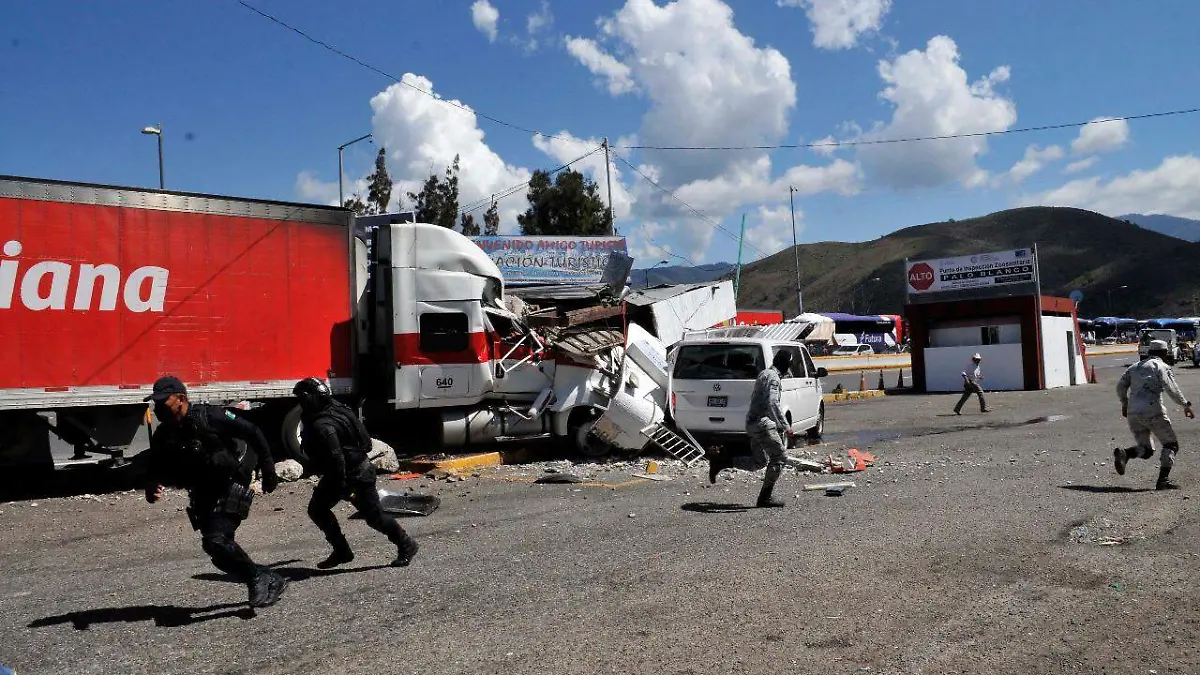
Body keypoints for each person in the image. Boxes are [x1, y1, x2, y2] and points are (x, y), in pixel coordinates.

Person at [142, 376, 286, 608]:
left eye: (163, 402)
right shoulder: (165, 433)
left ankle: (257, 579)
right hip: (203, 491)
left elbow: (252, 431)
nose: (158, 408)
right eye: (156, 403)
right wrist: (151, 485)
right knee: (218, 553)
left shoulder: (209, 416)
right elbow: (155, 464)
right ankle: (268, 577)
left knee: (218, 540)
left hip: (231, 484)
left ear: (181, 399)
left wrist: (268, 468)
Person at [293, 378, 419, 569]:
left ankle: (406, 544)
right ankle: (342, 551)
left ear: (309, 399)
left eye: (302, 398)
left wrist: (343, 485)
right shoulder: (340, 408)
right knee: (318, 509)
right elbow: (366, 443)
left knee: (374, 517)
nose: (300, 403)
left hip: (351, 476)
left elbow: (337, 459)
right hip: (351, 471)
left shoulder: (322, 426)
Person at [707, 350, 794, 507]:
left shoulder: (764, 373)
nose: (789, 369)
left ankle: (723, 462)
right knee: (780, 457)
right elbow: (772, 402)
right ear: (784, 364)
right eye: (789, 365)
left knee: (758, 462)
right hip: (763, 424)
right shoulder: (773, 378)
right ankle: (765, 498)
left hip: (752, 423)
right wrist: (785, 426)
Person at [1114, 339, 1195, 490]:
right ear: (1164, 353)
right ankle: (1163, 481)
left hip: (1133, 411)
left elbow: (1120, 387)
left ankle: (1126, 453)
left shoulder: (1134, 367)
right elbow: (1172, 388)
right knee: (1171, 445)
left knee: (1147, 450)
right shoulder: (1161, 366)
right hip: (1152, 411)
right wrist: (1185, 405)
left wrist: (1125, 403)